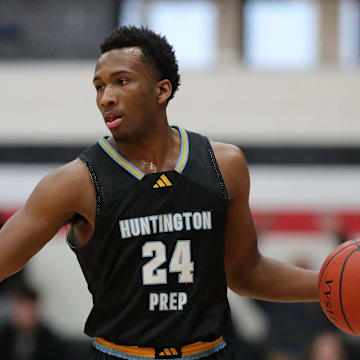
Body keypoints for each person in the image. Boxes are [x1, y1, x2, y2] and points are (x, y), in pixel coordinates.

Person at [0, 26, 319, 360]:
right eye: (99, 86)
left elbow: (246, 272)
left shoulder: (224, 165)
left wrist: (331, 283)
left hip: (208, 353)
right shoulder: (74, 182)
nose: (105, 97)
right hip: (121, 354)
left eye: (121, 81)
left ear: (162, 90)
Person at [0, 284, 68, 360]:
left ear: (34, 309)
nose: (17, 315)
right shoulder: (5, 335)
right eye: (15, 311)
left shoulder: (50, 341)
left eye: (23, 310)